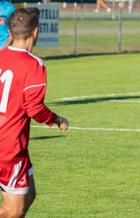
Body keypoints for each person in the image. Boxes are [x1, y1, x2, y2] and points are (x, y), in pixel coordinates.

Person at [0, 8, 69, 217]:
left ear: (10, 32)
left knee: (29, 195)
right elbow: (35, 109)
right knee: (14, 210)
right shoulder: (34, 65)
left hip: (12, 144)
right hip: (9, 146)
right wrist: (57, 119)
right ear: (36, 32)